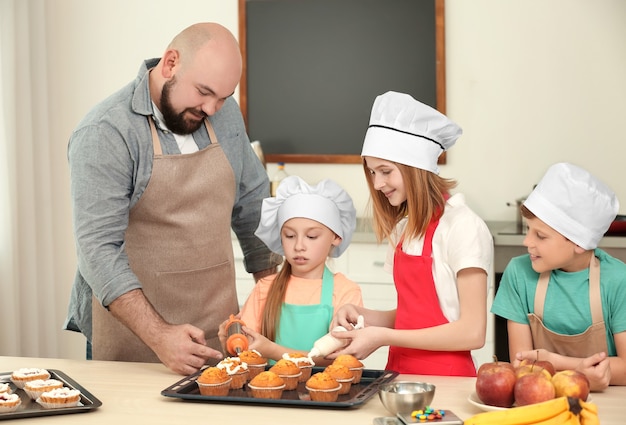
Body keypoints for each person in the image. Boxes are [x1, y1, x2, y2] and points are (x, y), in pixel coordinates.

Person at [64, 22, 281, 375]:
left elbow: (252, 201)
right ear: (170, 64)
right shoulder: (105, 132)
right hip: (134, 341)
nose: (213, 108)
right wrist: (159, 335)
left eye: (223, 97)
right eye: (204, 92)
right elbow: (97, 249)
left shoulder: (223, 114)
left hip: (219, 333)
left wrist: (272, 293)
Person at [331, 91, 493, 376]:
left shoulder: (463, 226)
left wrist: (382, 337)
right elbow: (410, 319)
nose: (378, 183)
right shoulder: (404, 230)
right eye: (371, 172)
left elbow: (472, 331)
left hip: (448, 380)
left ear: (415, 169)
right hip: (399, 375)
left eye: (385, 171)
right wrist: (364, 318)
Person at [491, 162, 626, 390]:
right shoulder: (518, 273)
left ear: (579, 242)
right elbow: (522, 366)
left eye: (540, 236)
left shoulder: (618, 280)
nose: (527, 242)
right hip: (539, 397)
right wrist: (580, 370)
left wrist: (556, 363)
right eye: (528, 230)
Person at [219, 175, 363, 365]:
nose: (299, 246)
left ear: (336, 237)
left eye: (311, 236)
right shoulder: (265, 288)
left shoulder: (346, 292)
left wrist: (272, 350)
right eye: (289, 235)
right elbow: (245, 357)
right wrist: (231, 345)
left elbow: (342, 360)